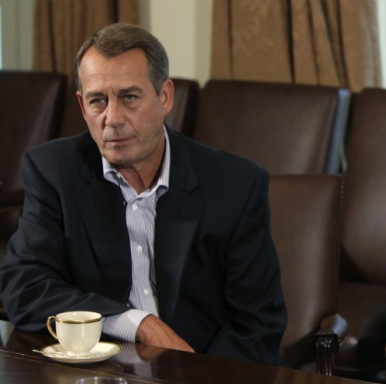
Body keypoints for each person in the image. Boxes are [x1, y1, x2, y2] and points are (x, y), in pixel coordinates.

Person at [0, 23, 287, 365]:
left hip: (208, 380)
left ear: (164, 97)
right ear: (81, 106)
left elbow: (257, 326)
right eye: (97, 101)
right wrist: (135, 322)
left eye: (129, 97)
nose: (112, 118)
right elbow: (25, 287)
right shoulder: (54, 172)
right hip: (102, 378)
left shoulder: (235, 184)